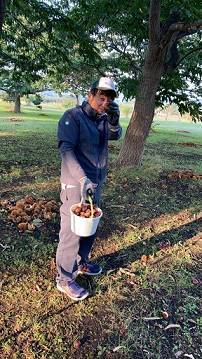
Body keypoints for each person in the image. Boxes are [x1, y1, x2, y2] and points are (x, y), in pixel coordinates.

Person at [56, 77, 122, 301]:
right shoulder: (72, 117)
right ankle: (64, 279)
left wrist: (114, 122)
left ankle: (81, 262)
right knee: (71, 231)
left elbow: (114, 135)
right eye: (101, 98)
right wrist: (82, 178)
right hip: (76, 183)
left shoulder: (103, 119)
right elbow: (66, 149)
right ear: (90, 95)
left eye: (108, 100)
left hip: (95, 182)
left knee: (90, 225)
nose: (104, 103)